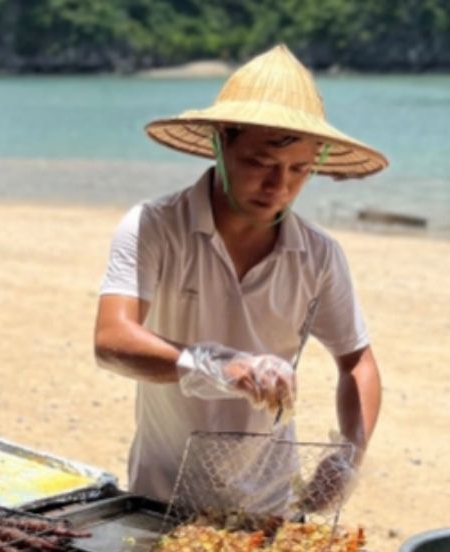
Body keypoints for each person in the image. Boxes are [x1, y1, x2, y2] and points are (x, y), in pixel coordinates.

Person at [94, 44, 385, 514]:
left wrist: (350, 453)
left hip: (272, 503)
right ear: (220, 142)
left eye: (299, 170)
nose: (279, 187)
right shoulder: (154, 226)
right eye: (259, 163)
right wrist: (211, 362)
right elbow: (111, 339)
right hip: (160, 494)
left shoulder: (318, 254)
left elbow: (357, 361)